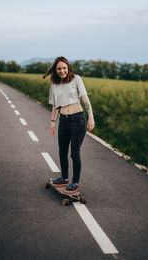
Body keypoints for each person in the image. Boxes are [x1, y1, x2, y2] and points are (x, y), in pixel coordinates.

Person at [43, 56, 95, 193]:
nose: (62, 71)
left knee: (74, 153)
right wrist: (52, 122)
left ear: (68, 68)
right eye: (59, 68)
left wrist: (91, 117)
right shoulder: (54, 85)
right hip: (63, 120)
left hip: (77, 120)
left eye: (64, 68)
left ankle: (75, 182)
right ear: (55, 69)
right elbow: (55, 106)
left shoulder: (76, 79)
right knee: (62, 151)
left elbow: (85, 99)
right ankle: (64, 178)